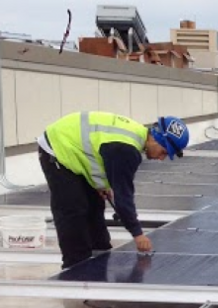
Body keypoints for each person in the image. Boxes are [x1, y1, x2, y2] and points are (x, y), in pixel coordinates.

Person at [39, 112, 190, 269]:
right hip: (57, 147)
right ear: (157, 139)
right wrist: (137, 234)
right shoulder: (126, 150)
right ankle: (75, 268)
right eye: (164, 152)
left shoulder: (135, 136)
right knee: (73, 209)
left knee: (95, 205)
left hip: (73, 147)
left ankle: (101, 254)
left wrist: (100, 184)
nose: (161, 158)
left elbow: (97, 155)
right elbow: (123, 197)